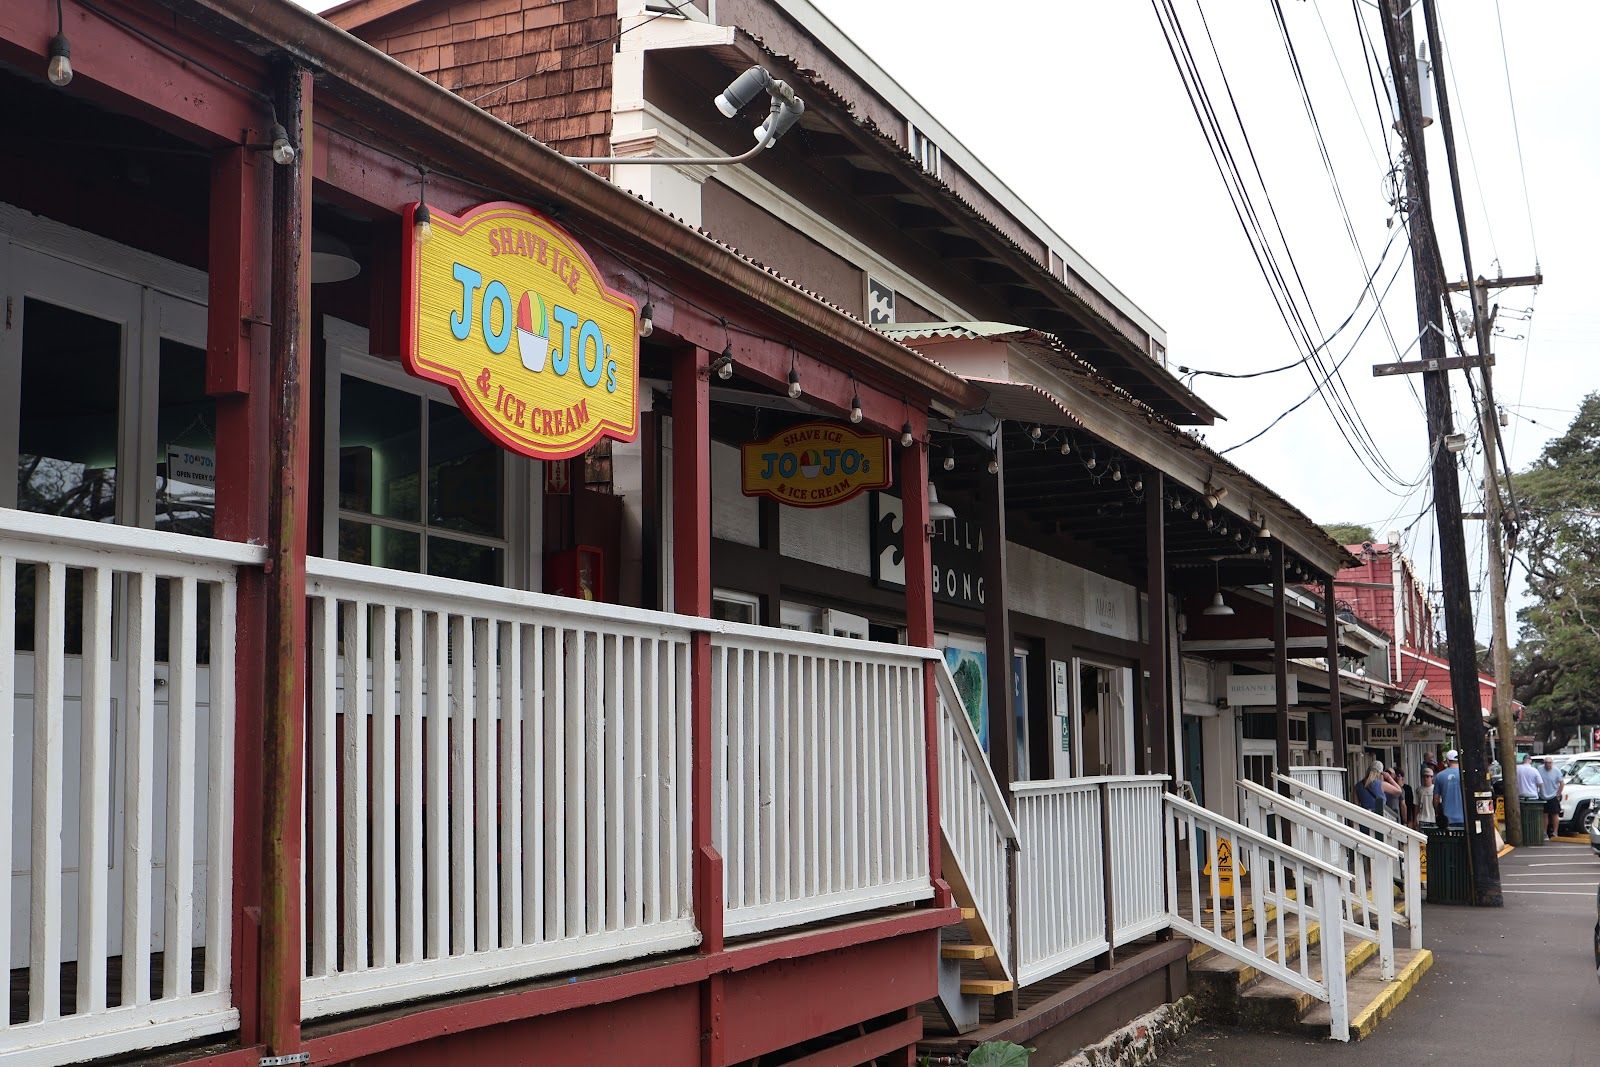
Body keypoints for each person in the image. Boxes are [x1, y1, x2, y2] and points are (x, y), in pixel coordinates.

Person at [1434, 750, 1464, 827]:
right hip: (1465, 818)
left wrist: (1437, 813)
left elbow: (1436, 799)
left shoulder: (1440, 776)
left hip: (1447, 820)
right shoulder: (1465, 775)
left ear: (1447, 760)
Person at [1539, 756, 1565, 838]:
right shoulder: (1539, 769)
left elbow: (1562, 783)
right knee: (1544, 814)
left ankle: (1555, 832)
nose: (1548, 765)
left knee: (1555, 814)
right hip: (1543, 795)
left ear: (1552, 763)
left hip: (1553, 795)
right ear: (1544, 763)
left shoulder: (1556, 771)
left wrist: (1558, 793)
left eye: (1550, 763)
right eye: (1546, 763)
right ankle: (1544, 833)